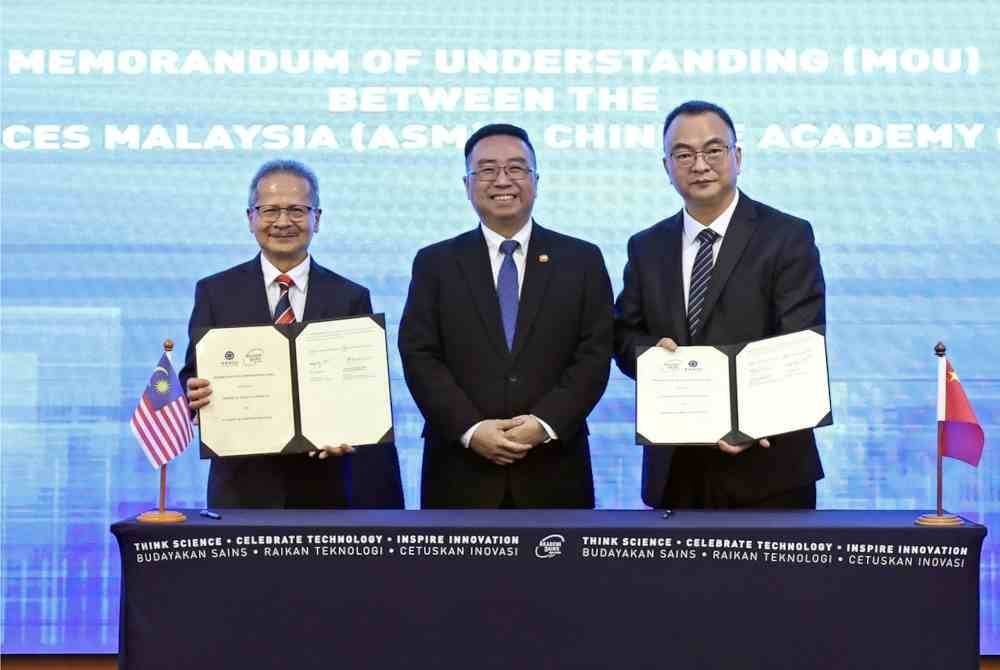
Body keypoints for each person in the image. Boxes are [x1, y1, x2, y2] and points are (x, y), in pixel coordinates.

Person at [614, 101, 826, 509]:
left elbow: (800, 340)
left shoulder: (787, 236)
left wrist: (747, 421)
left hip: (769, 466)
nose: (699, 164)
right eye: (683, 154)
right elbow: (624, 334)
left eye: (713, 150)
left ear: (737, 156)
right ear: (666, 167)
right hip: (677, 469)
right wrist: (652, 357)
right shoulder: (646, 246)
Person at [399, 123, 613, 508]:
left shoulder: (581, 260)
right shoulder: (435, 263)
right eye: (486, 170)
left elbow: (594, 355)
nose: (503, 180)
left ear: (536, 180)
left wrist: (544, 425)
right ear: (467, 184)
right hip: (460, 472)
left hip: (553, 470)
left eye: (516, 169)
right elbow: (419, 355)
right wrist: (470, 429)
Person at [180, 159, 403, 509]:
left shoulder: (349, 296)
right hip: (242, 485)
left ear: (317, 218)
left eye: (297, 210)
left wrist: (351, 428)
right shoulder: (214, 292)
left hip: (325, 486)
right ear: (250, 217)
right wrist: (192, 392)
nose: (283, 222)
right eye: (270, 210)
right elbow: (192, 373)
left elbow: (361, 386)